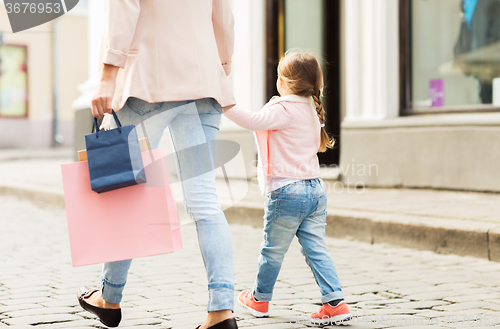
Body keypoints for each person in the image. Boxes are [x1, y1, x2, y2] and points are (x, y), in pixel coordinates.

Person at [76, 1, 238, 329]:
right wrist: (219, 62)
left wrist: (108, 77)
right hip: (204, 82)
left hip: (146, 82)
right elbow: (223, 17)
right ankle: (221, 311)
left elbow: (122, 10)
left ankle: (110, 298)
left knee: (125, 194)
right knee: (205, 201)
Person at [223, 52, 352, 325]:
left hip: (286, 192)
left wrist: (224, 104)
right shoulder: (311, 108)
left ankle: (259, 299)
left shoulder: (282, 108)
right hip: (315, 191)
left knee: (272, 250)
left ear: (282, 81)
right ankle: (335, 302)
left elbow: (252, 121)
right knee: (317, 249)